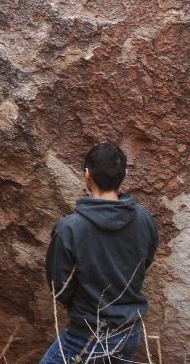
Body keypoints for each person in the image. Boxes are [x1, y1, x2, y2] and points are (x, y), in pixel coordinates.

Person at [40, 143, 159, 364]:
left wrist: (83, 306)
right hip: (128, 332)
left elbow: (60, 285)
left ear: (87, 175)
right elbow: (145, 261)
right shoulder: (144, 219)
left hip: (86, 333)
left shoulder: (70, 228)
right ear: (125, 174)